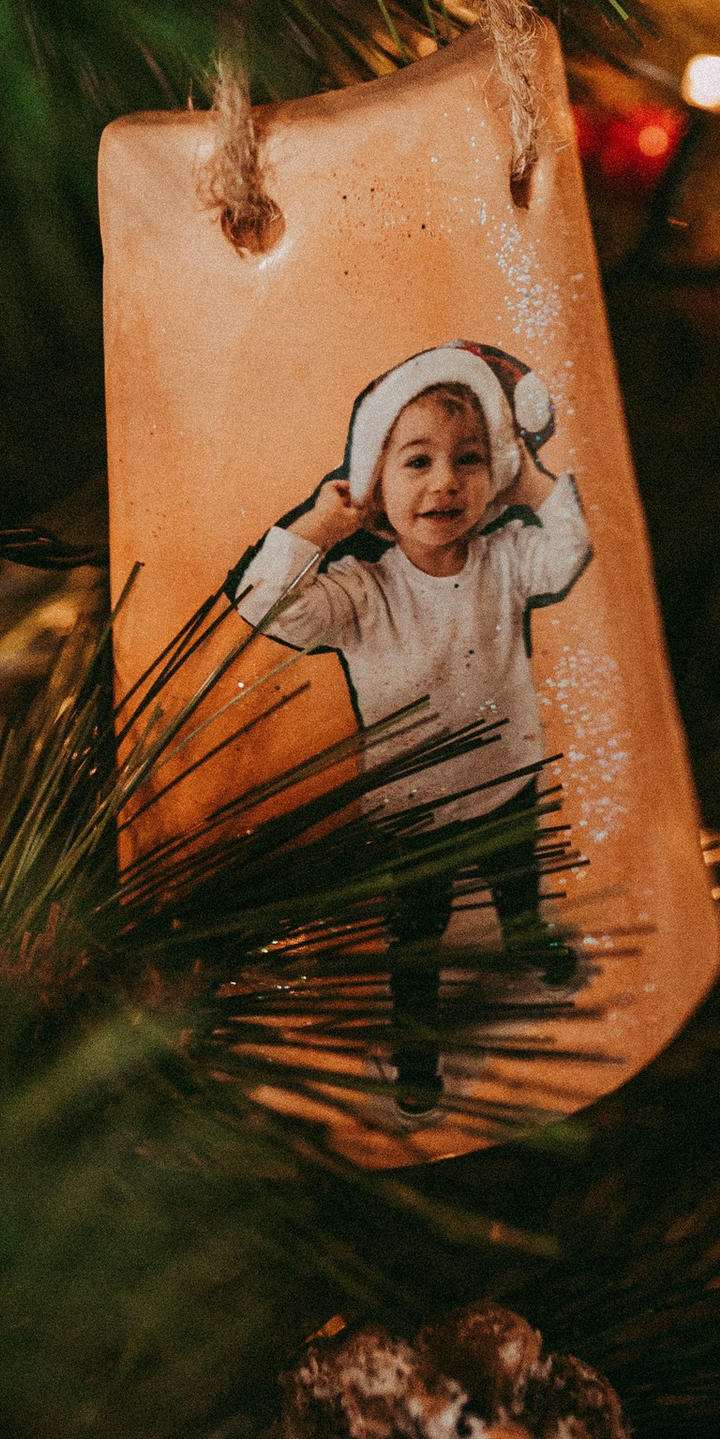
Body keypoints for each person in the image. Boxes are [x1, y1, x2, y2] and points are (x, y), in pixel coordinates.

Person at [229, 340, 594, 1116]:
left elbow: (568, 554)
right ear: (374, 487)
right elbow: (265, 605)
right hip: (415, 811)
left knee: (516, 880)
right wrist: (321, 528)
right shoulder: (361, 594)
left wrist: (531, 479)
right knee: (417, 941)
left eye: (468, 460)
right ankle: (418, 1045)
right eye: (417, 462)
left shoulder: (506, 560)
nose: (445, 482)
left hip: (508, 777)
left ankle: (527, 938)